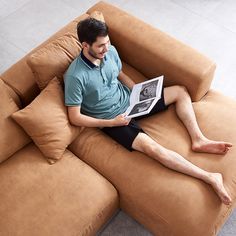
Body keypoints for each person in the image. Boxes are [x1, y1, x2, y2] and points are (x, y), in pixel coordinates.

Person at [64, 17, 233, 205]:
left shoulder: (110, 52)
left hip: (131, 100)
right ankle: (210, 177)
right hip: (112, 120)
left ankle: (198, 139)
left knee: (180, 91)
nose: (107, 48)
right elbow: (75, 117)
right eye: (101, 46)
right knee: (153, 149)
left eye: (108, 42)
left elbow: (118, 73)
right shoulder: (75, 76)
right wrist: (111, 123)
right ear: (85, 45)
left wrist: (138, 91)